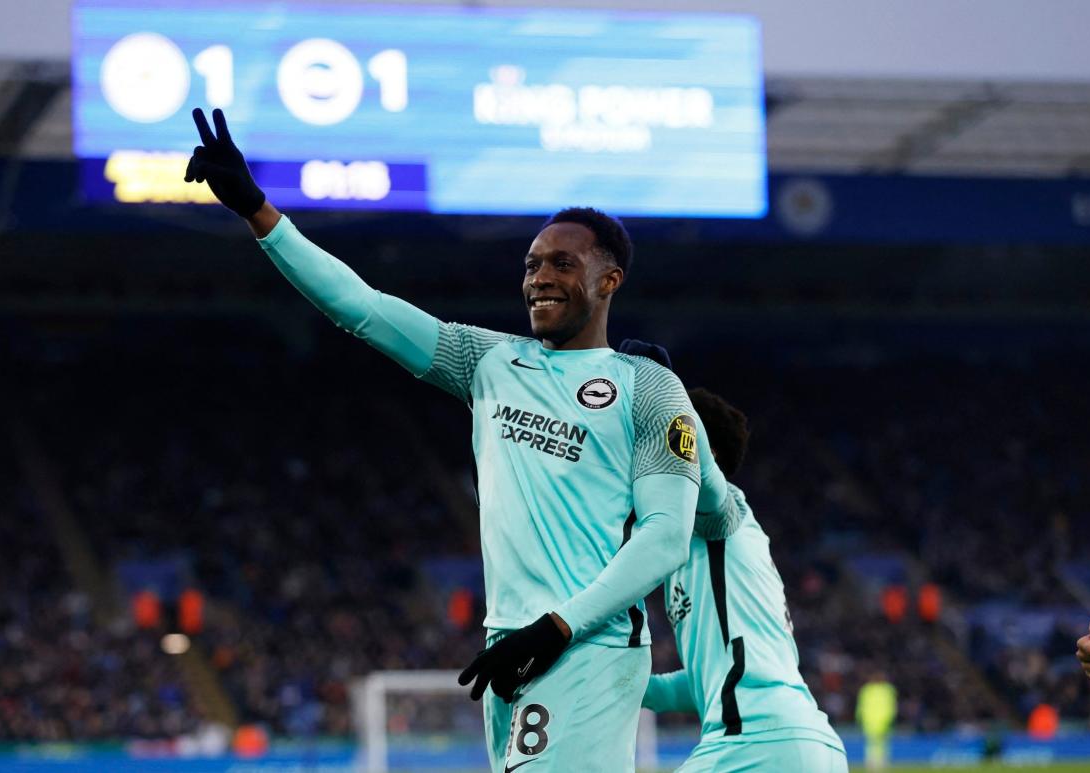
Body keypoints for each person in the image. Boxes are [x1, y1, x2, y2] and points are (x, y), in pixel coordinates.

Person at [183, 109, 738, 772]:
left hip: (588, 644)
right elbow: (361, 307)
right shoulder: (490, 362)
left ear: (608, 280)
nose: (540, 276)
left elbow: (664, 538)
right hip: (507, 644)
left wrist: (556, 626)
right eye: (533, 263)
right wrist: (258, 212)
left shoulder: (647, 389)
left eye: (564, 263)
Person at [621, 359, 845, 771]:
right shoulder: (698, 546)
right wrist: (630, 687)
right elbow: (708, 679)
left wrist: (668, 410)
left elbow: (707, 486)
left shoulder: (718, 512)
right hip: (803, 744)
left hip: (758, 741)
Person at [856, 672, 896, 770]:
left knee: (874, 742)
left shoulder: (870, 689)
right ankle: (878, 762)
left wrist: (859, 716)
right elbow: (891, 706)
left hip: (874, 720)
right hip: (876, 720)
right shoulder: (886, 690)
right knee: (877, 742)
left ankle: (875, 762)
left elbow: (861, 706)